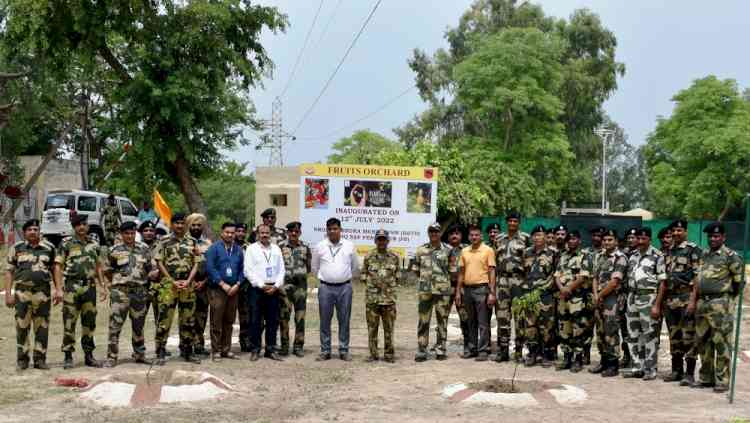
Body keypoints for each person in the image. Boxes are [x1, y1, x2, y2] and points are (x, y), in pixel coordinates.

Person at [689, 222, 744, 393]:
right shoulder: (704, 254)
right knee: (703, 342)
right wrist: (694, 300)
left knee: (721, 343)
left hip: (720, 304)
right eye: (710, 236)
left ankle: (722, 380)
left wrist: (727, 300)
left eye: (716, 236)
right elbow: (698, 280)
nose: (712, 239)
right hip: (702, 303)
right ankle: (706, 378)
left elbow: (739, 283)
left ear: (723, 237)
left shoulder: (731, 256)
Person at [5, 219, 61, 370]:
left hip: (42, 294)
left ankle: (40, 359)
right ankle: (22, 359)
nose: (33, 232)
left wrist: (59, 289)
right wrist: (8, 294)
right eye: (29, 229)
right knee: (22, 326)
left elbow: (55, 269)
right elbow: (9, 272)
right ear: (25, 232)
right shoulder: (16, 248)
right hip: (22, 293)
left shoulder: (49, 248)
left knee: (42, 327)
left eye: (35, 229)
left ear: (39, 231)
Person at [55, 214, 104, 369]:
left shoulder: (94, 244)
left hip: (90, 287)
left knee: (89, 322)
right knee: (69, 322)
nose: (81, 227)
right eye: (78, 225)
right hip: (72, 287)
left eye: (84, 224)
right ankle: (68, 356)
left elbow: (98, 266)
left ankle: (89, 355)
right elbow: (58, 266)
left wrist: (102, 285)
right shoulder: (66, 243)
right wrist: (58, 288)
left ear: (87, 226)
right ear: (73, 227)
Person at [101, 221, 153, 367]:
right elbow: (107, 270)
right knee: (115, 325)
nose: (129, 236)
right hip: (120, 293)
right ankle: (112, 357)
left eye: (132, 233)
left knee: (138, 325)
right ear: (121, 234)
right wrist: (118, 282)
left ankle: (139, 354)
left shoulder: (144, 248)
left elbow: (150, 268)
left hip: (139, 293)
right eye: (126, 233)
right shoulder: (114, 250)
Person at [153, 212, 202, 365]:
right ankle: (160, 351)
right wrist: (171, 280)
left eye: (182, 223)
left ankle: (187, 350)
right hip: (169, 286)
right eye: (177, 223)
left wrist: (188, 281)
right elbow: (159, 262)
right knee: (164, 320)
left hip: (187, 286)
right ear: (172, 224)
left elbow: (197, 262)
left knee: (188, 319)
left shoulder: (193, 242)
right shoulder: (164, 240)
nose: (180, 226)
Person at [659, 219, 701, 386]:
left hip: (685, 298)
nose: (676, 233)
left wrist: (692, 301)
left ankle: (689, 374)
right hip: (670, 300)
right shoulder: (667, 251)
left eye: (679, 230)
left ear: (685, 231)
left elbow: (697, 277)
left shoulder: (693, 250)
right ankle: (676, 370)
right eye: (674, 231)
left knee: (688, 336)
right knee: (674, 337)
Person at [311, 217, 359, 361]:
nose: (332, 231)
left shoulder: (349, 245)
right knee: (325, 320)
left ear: (340, 230)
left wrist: (344, 278)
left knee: (344, 319)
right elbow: (314, 267)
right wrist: (326, 278)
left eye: (335, 228)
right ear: (327, 231)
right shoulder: (320, 246)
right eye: (330, 229)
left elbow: (355, 267)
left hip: (345, 287)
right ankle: (325, 350)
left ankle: (343, 350)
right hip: (325, 288)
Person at [622, 228, 666, 380]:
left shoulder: (657, 256)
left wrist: (657, 305)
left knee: (649, 335)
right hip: (632, 297)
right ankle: (637, 367)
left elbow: (662, 283)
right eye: (638, 238)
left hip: (649, 298)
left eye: (643, 239)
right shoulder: (633, 256)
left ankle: (650, 368)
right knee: (633, 334)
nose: (640, 241)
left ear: (649, 240)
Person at [589, 229, 628, 377]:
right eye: (605, 240)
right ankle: (603, 361)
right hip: (599, 298)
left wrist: (599, 295)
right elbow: (594, 277)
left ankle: (613, 364)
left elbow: (615, 282)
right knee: (600, 332)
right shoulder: (599, 256)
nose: (606, 242)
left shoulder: (621, 258)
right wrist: (595, 295)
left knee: (611, 332)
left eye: (610, 240)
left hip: (612, 299)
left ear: (616, 242)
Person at [455, 224, 496, 361]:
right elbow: (461, 272)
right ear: (469, 237)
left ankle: (483, 350)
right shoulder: (464, 251)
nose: (474, 237)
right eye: (472, 235)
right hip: (467, 289)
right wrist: (458, 293)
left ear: (481, 236)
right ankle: (472, 349)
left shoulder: (488, 250)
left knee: (483, 322)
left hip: (482, 289)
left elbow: (491, 271)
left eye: (476, 235)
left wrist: (491, 292)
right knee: (470, 321)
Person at [244, 224, 285, 361]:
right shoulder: (251, 249)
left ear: (271, 234)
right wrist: (262, 285)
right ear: (258, 234)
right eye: (262, 233)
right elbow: (248, 271)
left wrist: (276, 285)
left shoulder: (276, 249)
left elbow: (281, 270)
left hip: (273, 289)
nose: (264, 235)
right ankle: (255, 349)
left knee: (272, 321)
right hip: (257, 290)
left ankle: (270, 349)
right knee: (255, 320)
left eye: (267, 233)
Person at [412, 222, 452, 362]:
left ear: (440, 233)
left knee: (442, 321)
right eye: (431, 231)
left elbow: (452, 271)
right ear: (428, 233)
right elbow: (416, 269)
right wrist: (426, 281)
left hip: (442, 292)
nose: (434, 234)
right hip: (425, 291)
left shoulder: (448, 250)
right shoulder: (420, 250)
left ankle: (441, 349)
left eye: (436, 231)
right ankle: (422, 349)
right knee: (423, 320)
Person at [554, 230, 593, 373]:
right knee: (564, 328)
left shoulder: (585, 256)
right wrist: (561, 288)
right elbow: (557, 275)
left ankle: (578, 359)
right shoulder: (563, 256)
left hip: (577, 298)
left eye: (574, 239)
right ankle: (566, 357)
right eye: (569, 239)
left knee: (578, 329)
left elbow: (583, 277)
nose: (571, 241)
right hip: (563, 298)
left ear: (579, 241)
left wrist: (568, 288)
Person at [493, 211, 529, 362]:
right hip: (502, 281)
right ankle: (503, 350)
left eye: (515, 221)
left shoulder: (525, 238)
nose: (512, 223)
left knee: (519, 317)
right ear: (506, 222)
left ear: (519, 223)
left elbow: (529, 260)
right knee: (502, 317)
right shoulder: (499, 238)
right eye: (510, 221)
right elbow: (494, 262)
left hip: (518, 280)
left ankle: (519, 351)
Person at [205, 222, 244, 361]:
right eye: (227, 232)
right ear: (222, 233)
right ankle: (216, 351)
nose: (230, 235)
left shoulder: (238, 250)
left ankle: (226, 350)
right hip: (218, 289)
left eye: (232, 233)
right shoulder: (214, 249)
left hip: (233, 290)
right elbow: (210, 268)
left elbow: (242, 269)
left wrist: (238, 284)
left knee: (229, 320)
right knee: (216, 321)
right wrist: (222, 284)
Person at [361, 229, 401, 363]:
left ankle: (389, 355)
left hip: (389, 300)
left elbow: (398, 276)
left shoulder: (394, 257)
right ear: (375, 241)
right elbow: (363, 275)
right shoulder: (368, 257)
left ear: (388, 241)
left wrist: (388, 287)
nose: (381, 242)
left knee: (389, 329)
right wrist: (372, 284)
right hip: (372, 300)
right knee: (372, 328)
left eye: (384, 239)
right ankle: (373, 354)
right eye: (379, 239)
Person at [519, 225, 556, 367]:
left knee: (546, 326)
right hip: (529, 295)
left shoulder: (553, 253)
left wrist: (545, 288)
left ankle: (546, 355)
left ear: (546, 237)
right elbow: (523, 273)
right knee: (530, 325)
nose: (537, 238)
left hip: (545, 294)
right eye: (534, 235)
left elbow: (556, 274)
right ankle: (533, 353)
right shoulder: (526, 253)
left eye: (540, 235)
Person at [278, 222, 312, 357]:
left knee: (300, 318)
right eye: (291, 231)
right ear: (287, 232)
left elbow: (308, 267)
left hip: (300, 288)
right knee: (283, 318)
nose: (293, 233)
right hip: (285, 287)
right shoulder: (280, 247)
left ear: (300, 233)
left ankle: (298, 346)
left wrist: (299, 274)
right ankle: (285, 346)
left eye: (296, 231)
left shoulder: (305, 247)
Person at [187, 213, 211, 357]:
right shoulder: (183, 243)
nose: (196, 228)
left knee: (201, 316)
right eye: (193, 225)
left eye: (199, 225)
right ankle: (187, 346)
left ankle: (199, 345)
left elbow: (212, 266)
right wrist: (191, 281)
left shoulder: (208, 244)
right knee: (188, 317)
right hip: (188, 285)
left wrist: (204, 281)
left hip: (204, 285)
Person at [581, 226, 606, 365]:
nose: (597, 238)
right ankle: (586, 354)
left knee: (602, 327)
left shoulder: (607, 253)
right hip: (587, 294)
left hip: (603, 294)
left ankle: (603, 357)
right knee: (586, 326)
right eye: (594, 235)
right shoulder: (585, 252)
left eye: (599, 236)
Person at [445, 224, 469, 357]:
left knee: (465, 317)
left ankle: (468, 346)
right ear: (448, 237)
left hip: (463, 288)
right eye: (452, 234)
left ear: (461, 236)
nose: (454, 236)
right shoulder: (442, 249)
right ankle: (440, 345)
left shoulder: (467, 249)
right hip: (446, 287)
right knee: (442, 317)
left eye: (457, 233)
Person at [619, 227, 640, 369]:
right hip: (624, 295)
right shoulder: (623, 255)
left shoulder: (642, 254)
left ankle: (639, 358)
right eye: (629, 238)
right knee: (625, 328)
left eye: (634, 237)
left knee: (640, 329)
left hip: (639, 295)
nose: (631, 240)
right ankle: (627, 355)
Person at [234, 222, 253, 352]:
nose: (240, 233)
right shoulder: (228, 245)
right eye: (238, 231)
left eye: (242, 231)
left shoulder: (250, 247)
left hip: (245, 287)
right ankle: (223, 343)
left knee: (245, 316)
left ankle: (245, 341)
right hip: (228, 286)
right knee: (226, 316)